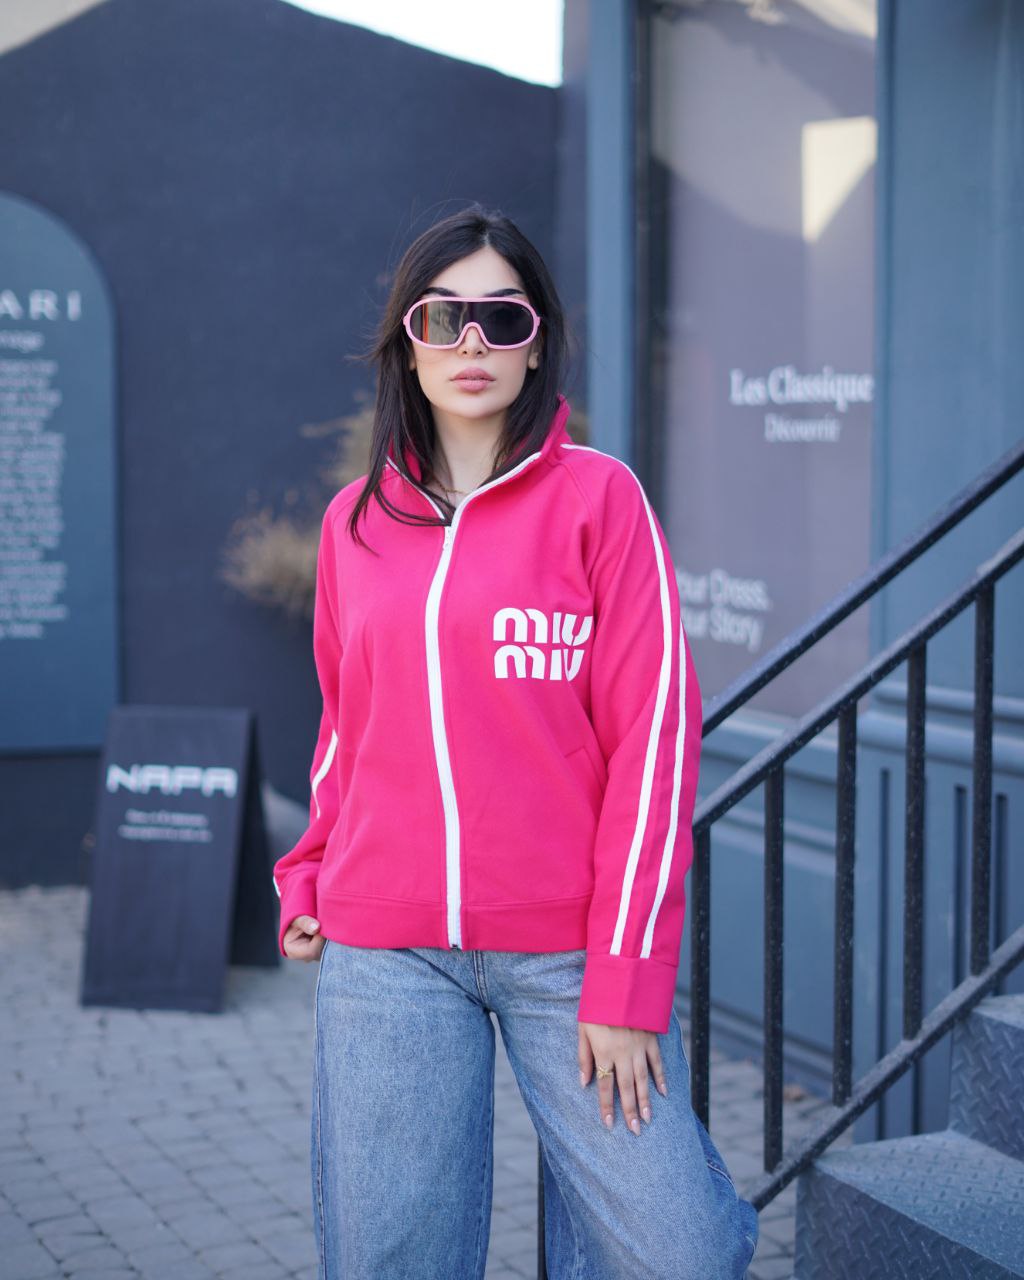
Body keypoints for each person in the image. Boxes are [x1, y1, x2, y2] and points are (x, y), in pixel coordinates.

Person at [272, 203, 759, 1279]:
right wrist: (307, 872)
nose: (472, 343)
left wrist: (625, 979)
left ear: (537, 342)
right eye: (443, 317)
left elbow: (653, 742)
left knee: (678, 1250)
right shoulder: (354, 524)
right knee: (392, 1260)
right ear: (408, 339)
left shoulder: (600, 500)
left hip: (568, 951)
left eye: (502, 317)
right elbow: (345, 725)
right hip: (387, 950)